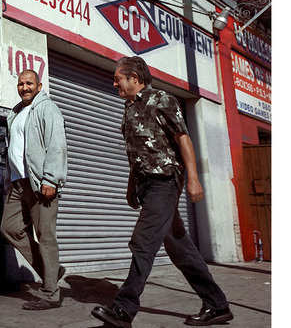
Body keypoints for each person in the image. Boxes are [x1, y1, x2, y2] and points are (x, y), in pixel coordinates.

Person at [91, 56, 233, 328]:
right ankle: (217, 305)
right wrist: (132, 185)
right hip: (147, 185)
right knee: (181, 249)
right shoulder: (129, 108)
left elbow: (183, 138)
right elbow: (137, 152)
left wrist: (194, 179)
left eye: (118, 78)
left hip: (165, 181)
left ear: (134, 77)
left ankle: (124, 308)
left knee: (143, 241)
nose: (114, 82)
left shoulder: (162, 100)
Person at [0, 69, 68, 310]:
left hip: (39, 182)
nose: (24, 87)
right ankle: (52, 270)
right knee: (10, 227)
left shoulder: (47, 108)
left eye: (29, 83)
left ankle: (51, 292)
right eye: (21, 84)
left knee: (45, 235)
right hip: (18, 183)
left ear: (39, 86)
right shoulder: (16, 113)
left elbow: (56, 143)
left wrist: (51, 178)